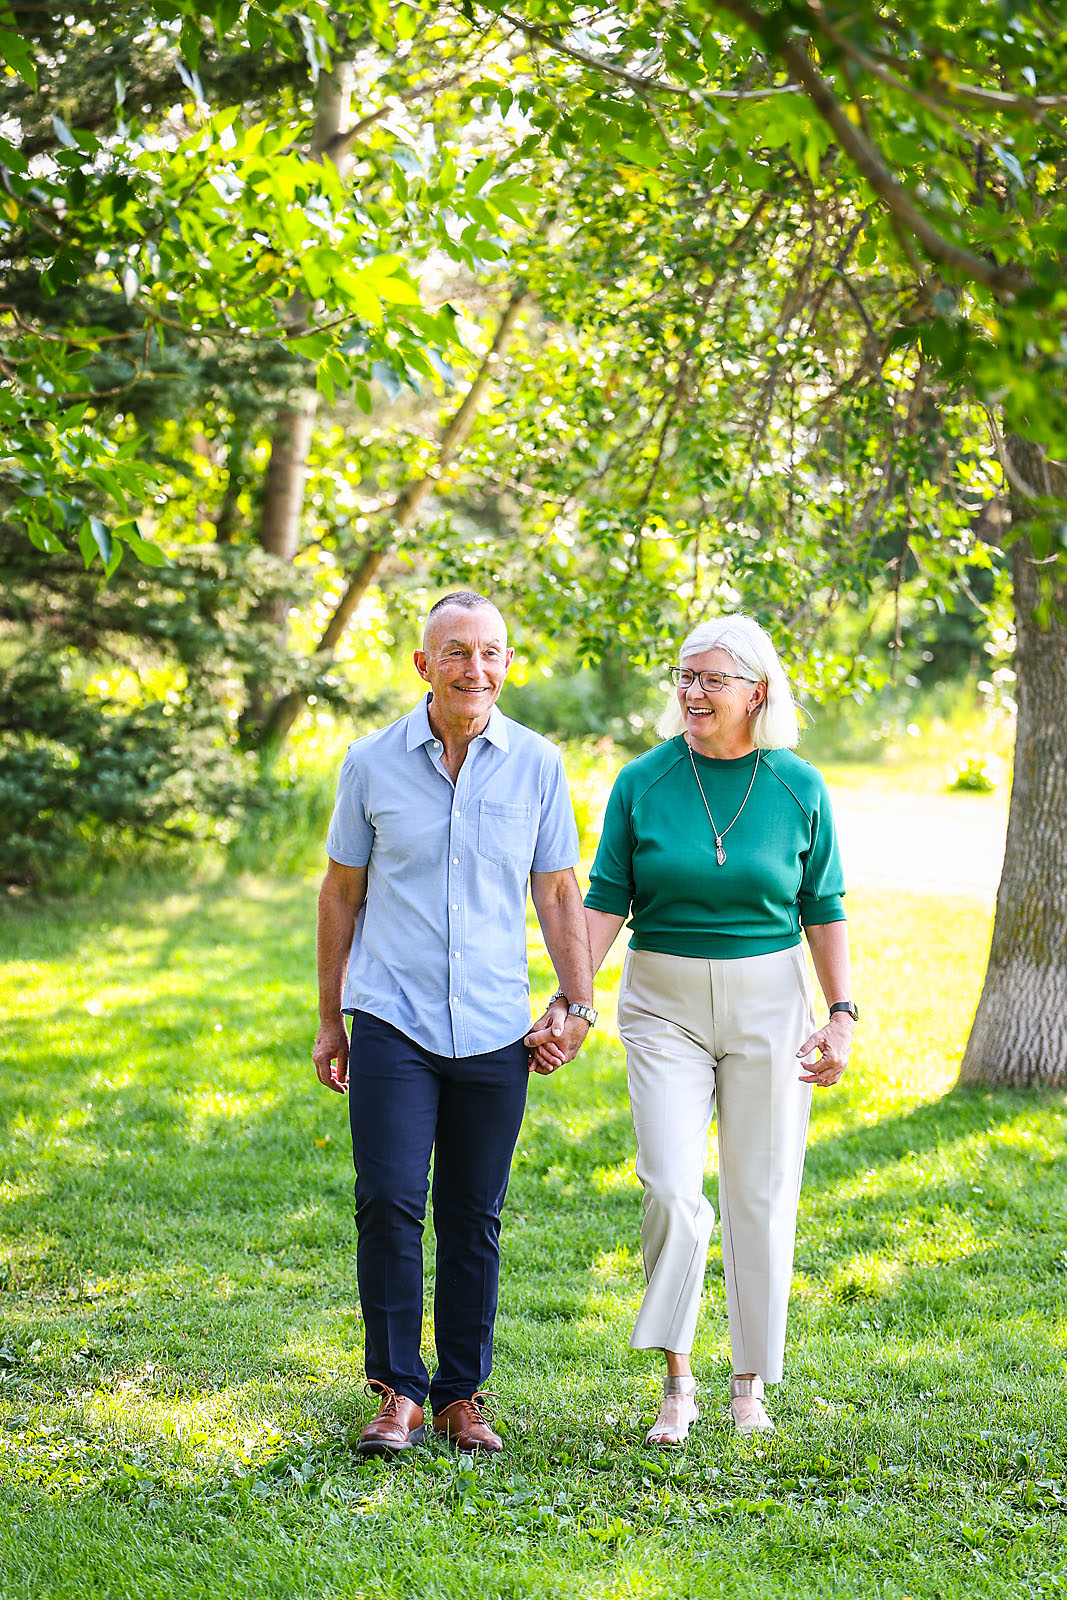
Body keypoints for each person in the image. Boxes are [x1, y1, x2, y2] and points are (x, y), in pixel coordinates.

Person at [528, 613, 856, 1441]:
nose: (692, 692)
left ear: (757, 691)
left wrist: (841, 1014)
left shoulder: (797, 785)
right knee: (671, 1187)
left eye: (711, 678)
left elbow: (822, 907)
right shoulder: (643, 779)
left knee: (760, 1193)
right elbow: (606, 896)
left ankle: (748, 1381)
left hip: (769, 1003)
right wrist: (573, 999)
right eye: (684, 676)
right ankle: (678, 1380)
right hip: (661, 1003)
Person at [313, 591, 595, 1459]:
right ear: (423, 665)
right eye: (458, 652)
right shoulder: (369, 763)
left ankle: (460, 1395)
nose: (477, 668)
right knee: (390, 1201)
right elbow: (341, 893)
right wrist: (331, 1020)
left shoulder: (539, 765)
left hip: (493, 1028)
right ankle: (397, 1390)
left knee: (473, 1215)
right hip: (393, 1017)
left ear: (505, 664)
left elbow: (556, 892)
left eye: (492, 653)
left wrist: (576, 1005)